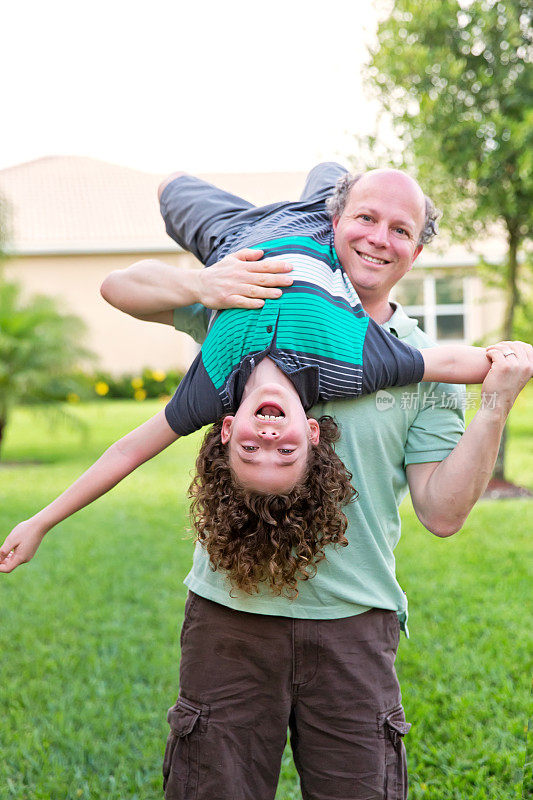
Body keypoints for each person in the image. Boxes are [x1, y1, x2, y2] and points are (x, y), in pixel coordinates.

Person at [98, 163, 533, 799]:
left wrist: (494, 405)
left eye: (401, 230)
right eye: (365, 218)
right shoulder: (258, 295)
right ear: (334, 222)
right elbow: (123, 287)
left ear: (418, 249)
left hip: (354, 627)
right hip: (231, 618)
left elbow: (441, 513)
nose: (379, 238)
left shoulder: (423, 361)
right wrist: (206, 281)